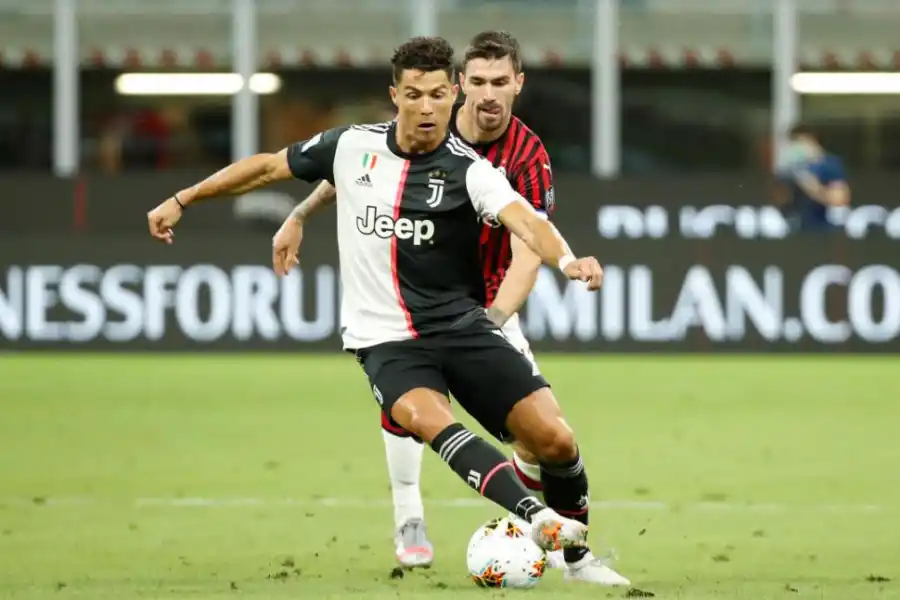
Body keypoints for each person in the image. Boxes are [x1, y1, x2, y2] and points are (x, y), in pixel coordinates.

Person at [146, 36, 629, 587]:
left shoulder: (472, 170)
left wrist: (566, 260)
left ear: (452, 97)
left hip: (465, 323)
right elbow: (266, 168)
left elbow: (526, 224)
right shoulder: (352, 146)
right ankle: (528, 517)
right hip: (386, 339)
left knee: (557, 442)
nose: (427, 108)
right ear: (395, 95)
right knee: (426, 419)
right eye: (415, 94)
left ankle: (578, 564)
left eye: (437, 96)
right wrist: (184, 198)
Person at [279, 30, 585, 575]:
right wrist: (300, 213)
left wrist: (492, 322)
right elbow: (357, 173)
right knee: (412, 397)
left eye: (501, 83)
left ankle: (554, 545)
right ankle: (410, 515)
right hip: (412, 301)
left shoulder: (525, 157)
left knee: (546, 439)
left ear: (518, 85)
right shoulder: (426, 125)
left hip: (486, 305)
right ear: (459, 87)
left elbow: (528, 248)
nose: (489, 95)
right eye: (478, 83)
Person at [774, 123, 851, 233]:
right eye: (794, 143)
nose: (798, 147)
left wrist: (811, 186)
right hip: (798, 229)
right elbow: (780, 202)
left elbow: (839, 199)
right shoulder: (791, 168)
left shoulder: (830, 164)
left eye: (801, 142)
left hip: (824, 229)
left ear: (812, 140)